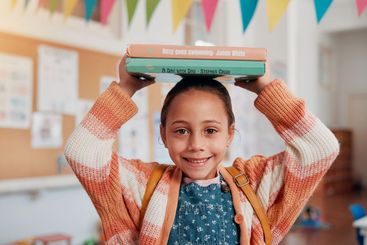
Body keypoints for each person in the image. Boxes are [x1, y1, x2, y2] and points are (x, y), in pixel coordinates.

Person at [64, 55, 340, 245]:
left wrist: (266, 89)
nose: (196, 145)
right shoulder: (143, 184)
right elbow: (83, 152)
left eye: (210, 130)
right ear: (164, 134)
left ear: (230, 134)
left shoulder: (253, 184)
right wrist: (125, 88)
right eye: (181, 130)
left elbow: (321, 148)